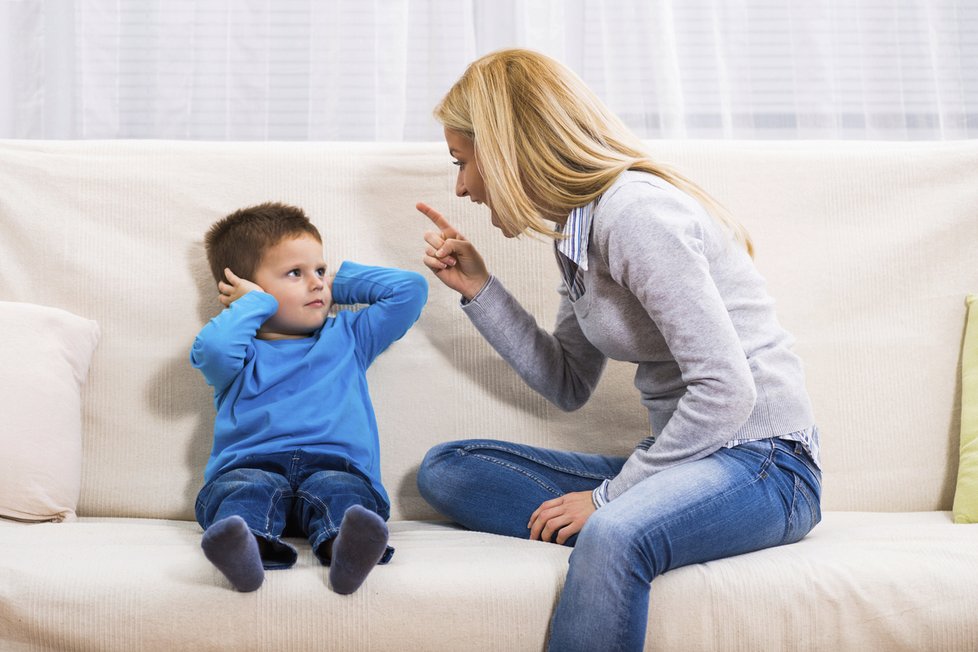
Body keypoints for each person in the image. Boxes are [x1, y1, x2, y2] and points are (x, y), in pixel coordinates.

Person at [414, 48, 821, 651]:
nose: (462, 187)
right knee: (450, 470)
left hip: (763, 463)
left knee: (612, 533)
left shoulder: (635, 215)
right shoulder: (576, 231)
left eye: (463, 162)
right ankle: (665, 521)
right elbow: (568, 381)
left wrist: (608, 500)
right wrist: (479, 288)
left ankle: (641, 527)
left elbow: (729, 390)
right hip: (684, 460)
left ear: (505, 152)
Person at [191, 201, 427, 594]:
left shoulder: (349, 336)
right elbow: (211, 350)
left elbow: (410, 291)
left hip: (337, 467)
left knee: (341, 492)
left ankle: (346, 550)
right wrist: (255, 304)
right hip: (251, 465)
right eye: (295, 273)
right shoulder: (241, 353)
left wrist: (336, 282)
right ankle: (245, 552)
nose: (316, 282)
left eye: (318, 269)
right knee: (245, 490)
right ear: (246, 289)